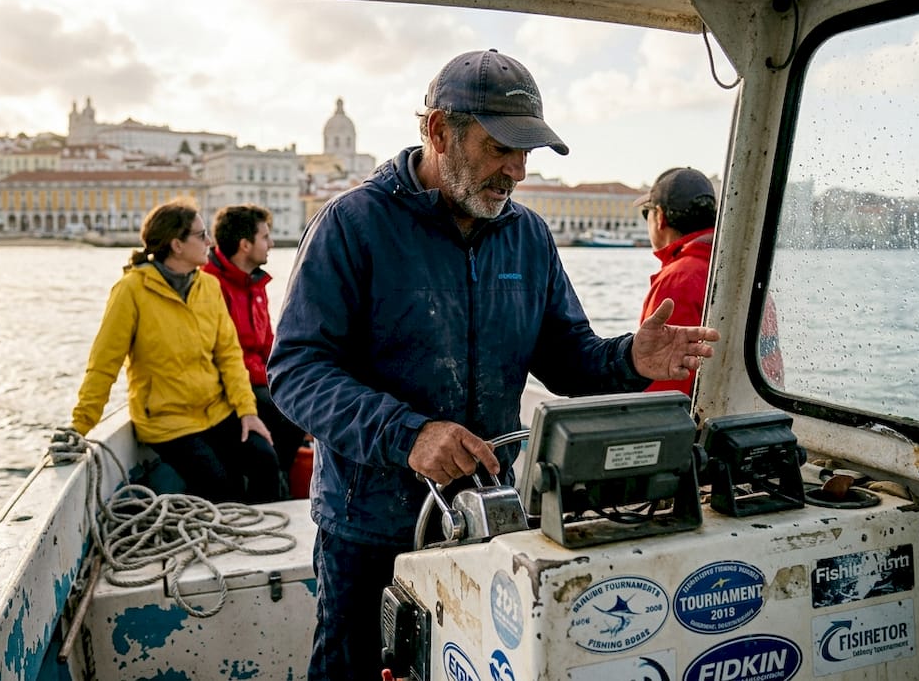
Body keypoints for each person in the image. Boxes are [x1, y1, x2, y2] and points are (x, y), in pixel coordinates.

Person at [266, 49, 720, 679]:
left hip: (485, 517)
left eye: (526, 152)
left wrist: (629, 358)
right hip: (367, 523)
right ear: (436, 131)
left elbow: (569, 358)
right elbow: (296, 371)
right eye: (500, 147)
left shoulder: (528, 235)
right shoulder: (351, 225)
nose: (517, 170)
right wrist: (410, 435)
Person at [70, 197, 280, 504]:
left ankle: (267, 544)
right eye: (201, 235)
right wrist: (80, 425)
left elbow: (229, 356)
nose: (210, 241)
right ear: (176, 245)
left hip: (215, 411)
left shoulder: (207, 287)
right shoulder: (131, 291)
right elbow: (104, 365)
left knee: (264, 459)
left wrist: (247, 412)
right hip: (167, 420)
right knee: (221, 485)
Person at [636, 167, 784, 396]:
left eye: (647, 213)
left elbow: (665, 390)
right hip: (756, 420)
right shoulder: (742, 272)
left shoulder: (677, 280)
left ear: (660, 218)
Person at [203, 203, 306, 495]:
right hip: (232, 383)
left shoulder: (255, 284)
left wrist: (288, 373)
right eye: (265, 237)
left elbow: (268, 345)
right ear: (245, 245)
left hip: (257, 377)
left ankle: (281, 479)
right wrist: (271, 378)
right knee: (290, 411)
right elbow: (223, 353)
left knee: (300, 399)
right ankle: (276, 485)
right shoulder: (211, 285)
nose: (271, 243)